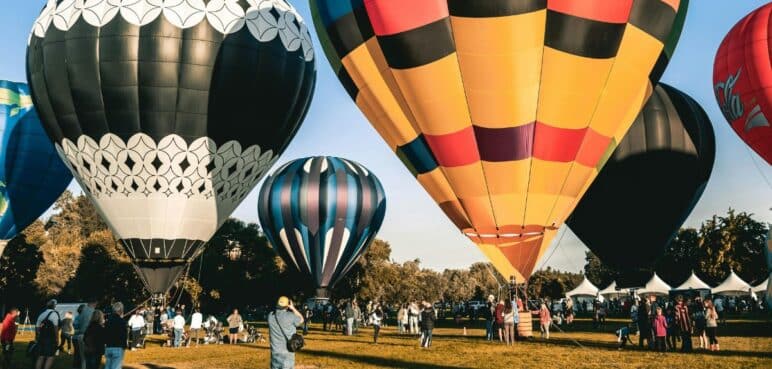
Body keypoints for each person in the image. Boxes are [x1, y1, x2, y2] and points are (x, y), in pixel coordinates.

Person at [268, 297, 303, 369]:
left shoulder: (270, 316)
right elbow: (301, 319)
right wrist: (293, 308)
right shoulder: (291, 316)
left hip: (275, 353)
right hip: (287, 353)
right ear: (287, 306)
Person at [35, 299, 60, 369]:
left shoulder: (42, 314)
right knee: (50, 357)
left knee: (41, 356)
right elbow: (56, 328)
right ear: (54, 306)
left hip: (41, 338)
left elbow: (37, 328)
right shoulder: (54, 314)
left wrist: (38, 336)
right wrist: (57, 339)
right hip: (50, 339)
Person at [103, 302, 127, 369]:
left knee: (107, 366)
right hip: (118, 347)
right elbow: (124, 335)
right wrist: (124, 347)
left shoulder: (108, 322)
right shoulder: (122, 321)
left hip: (108, 347)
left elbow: (105, 334)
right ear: (121, 310)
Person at [75, 300, 97, 369]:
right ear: (94, 303)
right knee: (91, 358)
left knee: (83, 358)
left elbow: (77, 325)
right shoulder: (93, 312)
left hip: (80, 335)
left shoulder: (82, 312)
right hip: (89, 336)